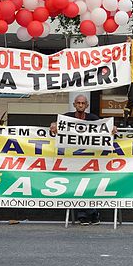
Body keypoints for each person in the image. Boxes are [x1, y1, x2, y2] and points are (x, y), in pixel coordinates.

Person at [49, 94, 111, 225]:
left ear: (87, 105)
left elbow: (105, 129)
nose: (81, 105)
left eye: (83, 103)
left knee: (90, 186)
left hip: (90, 159)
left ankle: (92, 214)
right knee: (77, 186)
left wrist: (112, 129)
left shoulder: (93, 118)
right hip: (73, 160)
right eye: (78, 103)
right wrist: (53, 124)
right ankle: (83, 215)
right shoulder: (67, 117)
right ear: (74, 105)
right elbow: (55, 124)